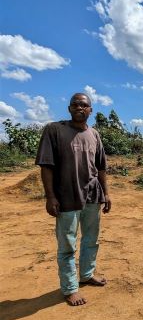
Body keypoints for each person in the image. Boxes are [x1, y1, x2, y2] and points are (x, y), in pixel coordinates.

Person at [36, 93, 111, 306]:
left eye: (84, 105)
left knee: (91, 240)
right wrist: (50, 196)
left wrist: (106, 193)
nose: (80, 107)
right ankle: (70, 289)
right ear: (69, 108)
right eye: (76, 104)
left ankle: (87, 274)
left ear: (90, 110)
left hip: (92, 197)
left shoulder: (94, 135)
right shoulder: (55, 130)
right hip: (66, 197)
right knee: (67, 245)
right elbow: (46, 166)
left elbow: (101, 167)